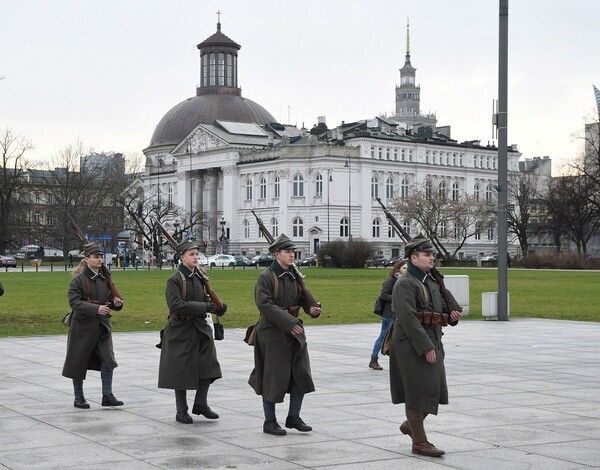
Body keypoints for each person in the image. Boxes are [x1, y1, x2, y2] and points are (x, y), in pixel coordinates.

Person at [390, 234, 461, 457]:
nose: (432, 258)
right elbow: (408, 318)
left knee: (434, 389)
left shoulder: (430, 280)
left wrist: (450, 316)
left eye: (432, 254)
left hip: (433, 338)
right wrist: (425, 346)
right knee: (416, 390)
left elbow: (436, 310)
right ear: (413, 258)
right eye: (427, 254)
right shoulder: (405, 283)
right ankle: (419, 442)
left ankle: (411, 425)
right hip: (410, 343)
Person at [248, 233, 322, 436]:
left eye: (292, 251)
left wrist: (312, 308)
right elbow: (265, 304)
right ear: (276, 254)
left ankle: (293, 417)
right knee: (273, 377)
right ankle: (269, 421)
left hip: (293, 331)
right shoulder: (266, 277)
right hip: (272, 332)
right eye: (287, 251)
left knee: (301, 373)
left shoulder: (293, 275)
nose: (292, 255)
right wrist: (289, 322)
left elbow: (303, 298)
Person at [158, 239, 227, 424]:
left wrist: (217, 307)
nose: (196, 257)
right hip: (180, 329)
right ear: (182, 257)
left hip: (199, 328)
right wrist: (205, 306)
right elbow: (176, 305)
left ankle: (201, 403)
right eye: (191, 254)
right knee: (180, 371)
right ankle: (181, 411)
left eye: (197, 254)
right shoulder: (174, 279)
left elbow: (204, 297)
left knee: (209, 365)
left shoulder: (199, 277)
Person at [62, 241, 124, 409]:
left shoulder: (105, 279)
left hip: (101, 327)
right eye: (96, 257)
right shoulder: (78, 280)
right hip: (82, 327)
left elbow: (110, 302)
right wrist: (96, 308)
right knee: (78, 361)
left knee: (108, 360)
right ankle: (79, 397)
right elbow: (74, 302)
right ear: (87, 259)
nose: (100, 260)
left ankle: (107, 395)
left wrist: (116, 303)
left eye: (101, 257)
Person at [369, 259, 407, 370]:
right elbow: (383, 295)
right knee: (383, 336)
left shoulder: (407, 281)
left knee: (400, 338)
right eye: (404, 268)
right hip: (389, 314)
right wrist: (397, 298)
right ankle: (373, 359)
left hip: (401, 313)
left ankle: (399, 361)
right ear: (398, 269)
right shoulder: (392, 280)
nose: (406, 270)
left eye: (408, 268)